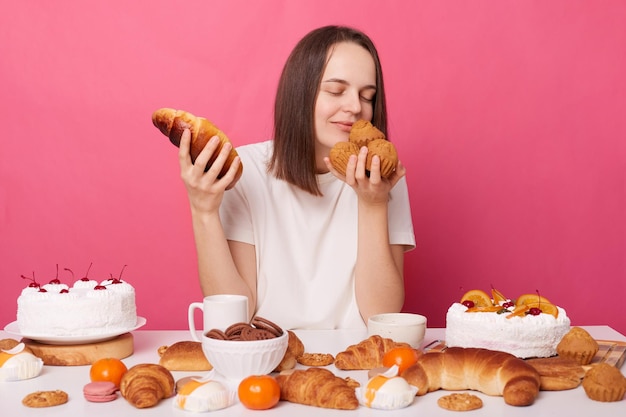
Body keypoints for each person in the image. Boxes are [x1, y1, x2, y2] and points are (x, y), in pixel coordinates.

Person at [178, 25, 415, 330]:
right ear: (300, 93)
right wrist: (204, 211)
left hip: (354, 363)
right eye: (336, 90)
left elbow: (381, 314)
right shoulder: (247, 172)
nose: (356, 107)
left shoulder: (383, 176)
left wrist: (373, 203)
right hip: (268, 360)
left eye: (367, 96)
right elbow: (234, 319)